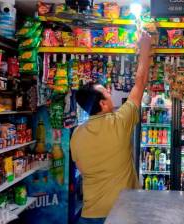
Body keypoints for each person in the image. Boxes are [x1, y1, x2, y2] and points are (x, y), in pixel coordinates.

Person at [70, 32, 151, 224]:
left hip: (89, 214)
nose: (110, 93)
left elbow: (81, 168)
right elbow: (140, 83)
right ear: (103, 105)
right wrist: (145, 46)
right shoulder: (120, 122)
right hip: (122, 213)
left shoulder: (76, 135)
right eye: (107, 92)